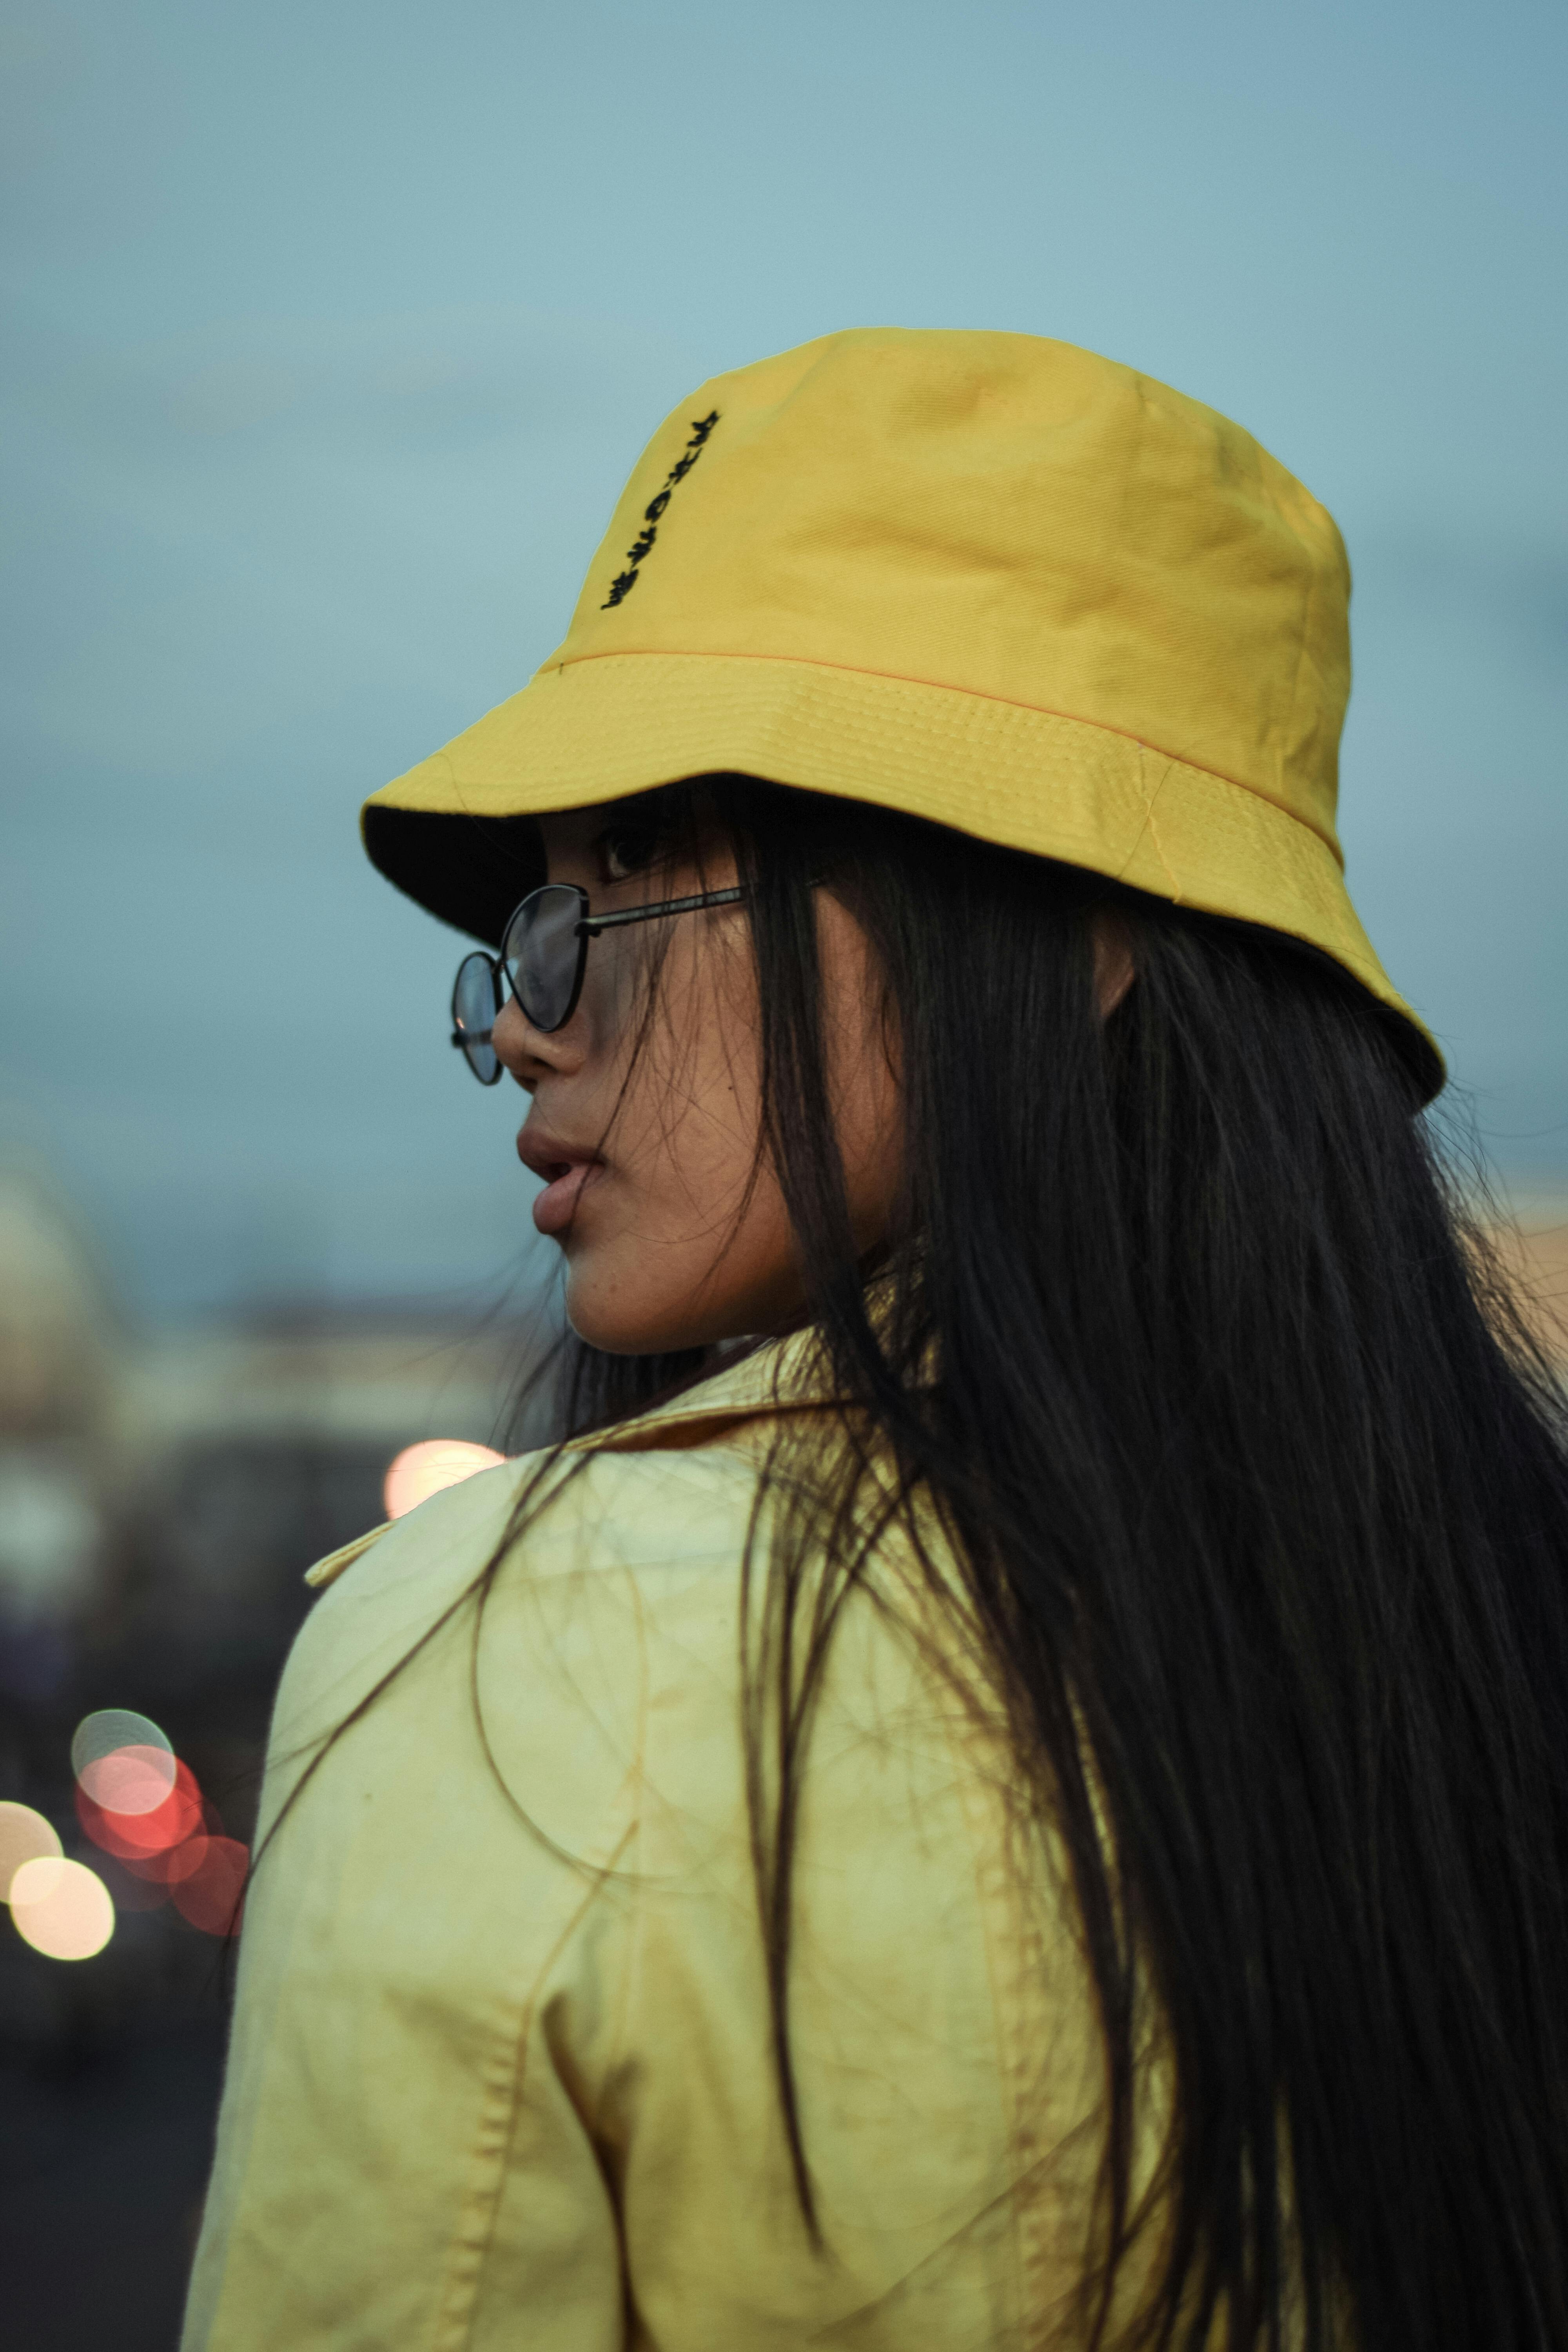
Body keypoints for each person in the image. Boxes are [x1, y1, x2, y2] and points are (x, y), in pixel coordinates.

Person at [182, 331, 1568, 2350]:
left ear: (1067, 923)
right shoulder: (1494, 1631)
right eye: (515, 944)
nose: (521, 1027)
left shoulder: (524, 1659)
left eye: (619, 889)